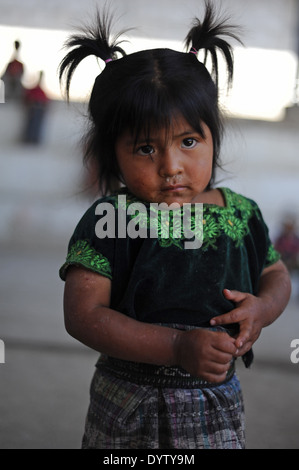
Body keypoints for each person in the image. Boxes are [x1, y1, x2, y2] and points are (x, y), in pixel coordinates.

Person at [58, 2, 291, 449]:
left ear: (212, 136)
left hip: (216, 402)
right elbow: (83, 315)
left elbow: (275, 273)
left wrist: (263, 309)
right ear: (114, 154)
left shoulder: (241, 214)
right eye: (146, 149)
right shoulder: (113, 219)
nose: (171, 167)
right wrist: (175, 348)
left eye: (188, 141)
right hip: (128, 404)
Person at [23, 71, 49, 144]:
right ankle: (29, 139)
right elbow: (27, 98)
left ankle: (34, 139)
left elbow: (45, 101)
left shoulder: (41, 91)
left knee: (37, 125)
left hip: (39, 109)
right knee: (31, 124)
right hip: (33, 108)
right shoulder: (33, 90)